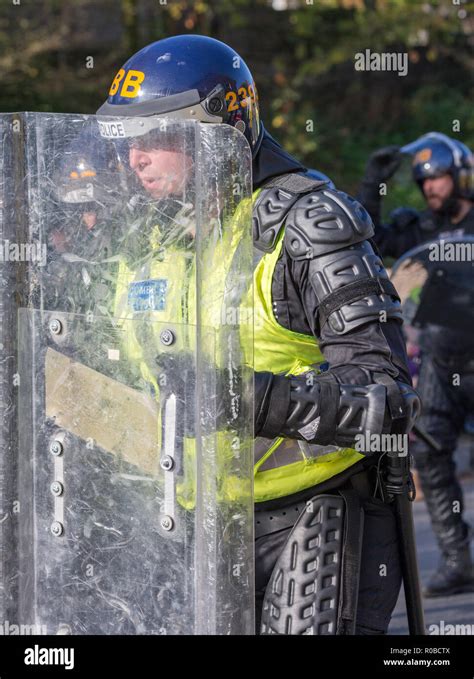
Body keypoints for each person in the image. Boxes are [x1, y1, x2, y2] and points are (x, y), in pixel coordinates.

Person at [97, 34, 419, 634]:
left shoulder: (307, 227)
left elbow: (389, 398)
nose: (136, 157)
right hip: (190, 522)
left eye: (157, 136)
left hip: (317, 512)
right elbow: (110, 370)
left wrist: (241, 398)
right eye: (128, 141)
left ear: (224, 127)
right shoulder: (149, 240)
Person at [358, 132, 474, 596]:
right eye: (424, 181)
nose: (431, 188)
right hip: (442, 361)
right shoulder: (420, 228)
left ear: (461, 176)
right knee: (427, 454)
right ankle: (457, 560)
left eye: (439, 178)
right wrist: (372, 184)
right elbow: (369, 237)